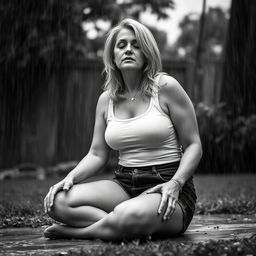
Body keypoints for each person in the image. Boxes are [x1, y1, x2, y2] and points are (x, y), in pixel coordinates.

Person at [43, 18, 202, 240]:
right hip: (125, 184)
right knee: (58, 202)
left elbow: (194, 145)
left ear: (147, 53)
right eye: (122, 45)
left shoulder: (166, 87)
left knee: (128, 214)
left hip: (166, 186)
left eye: (136, 45)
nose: (129, 49)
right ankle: (122, 226)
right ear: (113, 56)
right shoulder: (106, 100)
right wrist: (70, 178)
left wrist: (176, 183)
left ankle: (78, 232)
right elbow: (97, 154)